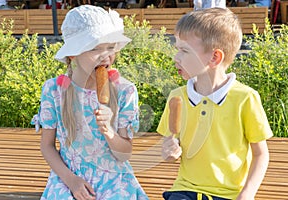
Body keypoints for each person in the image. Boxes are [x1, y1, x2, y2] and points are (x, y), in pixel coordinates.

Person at [31, 5, 149, 200]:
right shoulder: (54, 90)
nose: (106, 55)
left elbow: (124, 154)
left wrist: (109, 132)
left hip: (114, 177)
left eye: (110, 47)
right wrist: (71, 180)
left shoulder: (124, 91)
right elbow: (47, 146)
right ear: (73, 53)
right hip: (69, 175)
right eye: (95, 48)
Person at [157, 7, 273, 200]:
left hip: (228, 194)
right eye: (177, 49)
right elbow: (170, 145)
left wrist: (247, 194)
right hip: (184, 190)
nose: (176, 58)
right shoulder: (176, 97)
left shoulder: (245, 98)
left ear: (214, 57)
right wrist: (169, 151)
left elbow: (261, 155)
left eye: (184, 51)